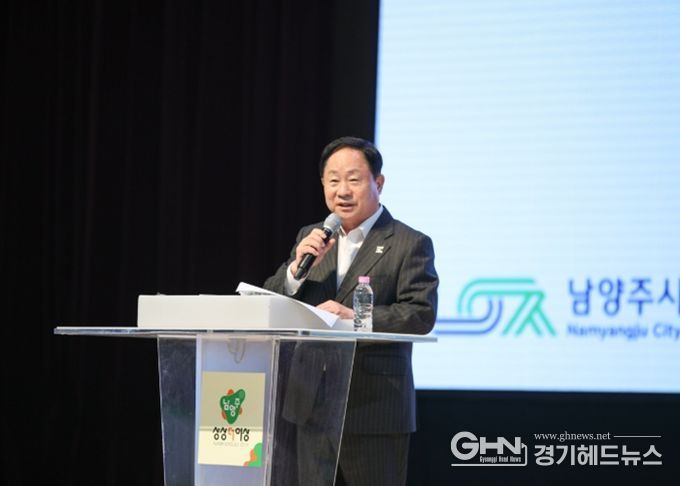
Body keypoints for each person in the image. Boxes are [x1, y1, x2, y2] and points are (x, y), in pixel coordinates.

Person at [264, 136, 438, 485]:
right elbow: (272, 298)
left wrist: (354, 318)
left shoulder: (409, 243)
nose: (342, 190)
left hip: (374, 407)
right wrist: (297, 271)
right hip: (310, 404)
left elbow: (420, 314)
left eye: (353, 179)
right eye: (333, 180)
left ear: (379, 183)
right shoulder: (312, 238)